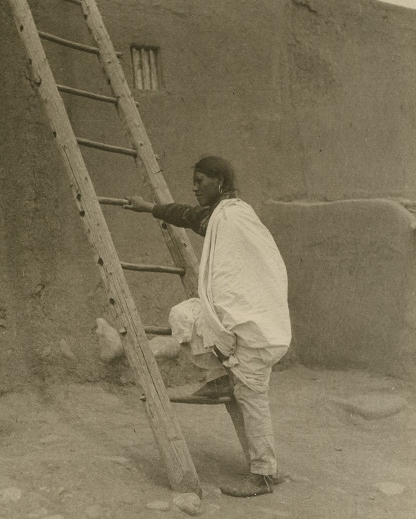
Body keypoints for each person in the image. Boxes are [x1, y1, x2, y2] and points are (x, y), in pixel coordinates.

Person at [123, 156, 292, 497]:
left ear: (219, 181)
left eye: (201, 180)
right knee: (185, 315)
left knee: (251, 397)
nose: (195, 186)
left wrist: (230, 328)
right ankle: (218, 379)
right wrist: (150, 208)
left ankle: (263, 475)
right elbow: (187, 215)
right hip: (240, 319)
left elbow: (235, 278)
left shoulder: (233, 217)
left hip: (255, 326)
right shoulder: (221, 215)